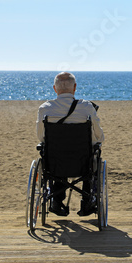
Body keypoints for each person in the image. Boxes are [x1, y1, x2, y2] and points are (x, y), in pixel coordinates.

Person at [36, 72, 104, 216]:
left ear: (55, 88)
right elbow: (98, 135)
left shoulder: (45, 108)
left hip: (56, 161)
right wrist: (98, 141)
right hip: (82, 162)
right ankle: (87, 201)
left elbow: (41, 137)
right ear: (74, 88)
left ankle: (56, 200)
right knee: (93, 157)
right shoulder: (86, 107)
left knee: (57, 154)